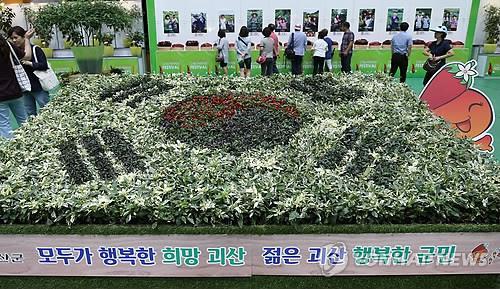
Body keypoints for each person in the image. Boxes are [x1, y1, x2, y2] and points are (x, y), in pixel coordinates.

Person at [8, 26, 50, 117]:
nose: (14, 40)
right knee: (30, 114)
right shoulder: (14, 53)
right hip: (25, 88)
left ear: (23, 37)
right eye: (12, 38)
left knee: (47, 111)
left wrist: (30, 64)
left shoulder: (35, 49)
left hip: (39, 86)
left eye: (16, 37)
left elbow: (44, 65)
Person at [0, 30, 33, 139]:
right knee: (24, 121)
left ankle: (12, 152)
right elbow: (27, 56)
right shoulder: (7, 45)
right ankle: (31, 144)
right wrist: (27, 39)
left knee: (4, 125)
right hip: (15, 91)